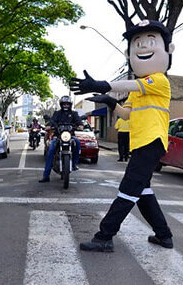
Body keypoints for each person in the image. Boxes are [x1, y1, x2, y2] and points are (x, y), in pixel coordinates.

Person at [70, 19, 175, 252]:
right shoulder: (141, 88)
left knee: (128, 190)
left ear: (168, 50)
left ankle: (104, 236)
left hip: (152, 141)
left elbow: (133, 86)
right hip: (142, 143)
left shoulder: (158, 80)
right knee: (142, 191)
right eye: (137, 43)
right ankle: (164, 235)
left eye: (150, 41)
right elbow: (126, 114)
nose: (143, 47)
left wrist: (103, 84)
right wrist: (109, 102)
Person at [39, 96, 83, 183]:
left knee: (77, 142)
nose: (66, 105)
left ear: (70, 105)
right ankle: (46, 175)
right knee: (51, 150)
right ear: (61, 104)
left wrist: (81, 126)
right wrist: (48, 126)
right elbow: (52, 121)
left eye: (67, 104)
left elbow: (79, 122)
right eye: (64, 104)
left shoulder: (74, 114)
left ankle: (74, 164)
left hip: (70, 136)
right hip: (58, 136)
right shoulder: (57, 113)